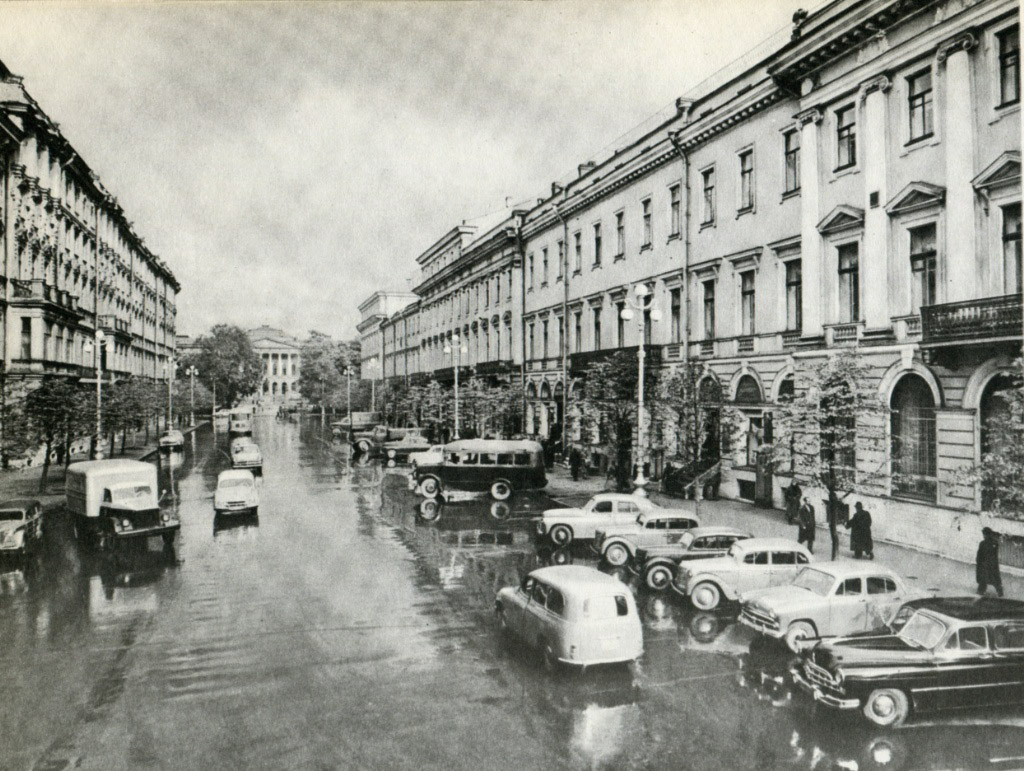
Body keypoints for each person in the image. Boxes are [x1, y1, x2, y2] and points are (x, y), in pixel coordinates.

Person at [977, 527, 1004, 597]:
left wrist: (978, 561)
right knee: (992, 578)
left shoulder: (984, 543)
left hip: (986, 563)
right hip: (990, 564)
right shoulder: (994, 543)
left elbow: (980, 554)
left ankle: (981, 590)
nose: (983, 536)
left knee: (986, 577)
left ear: (987, 534)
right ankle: (998, 591)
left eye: (984, 534)